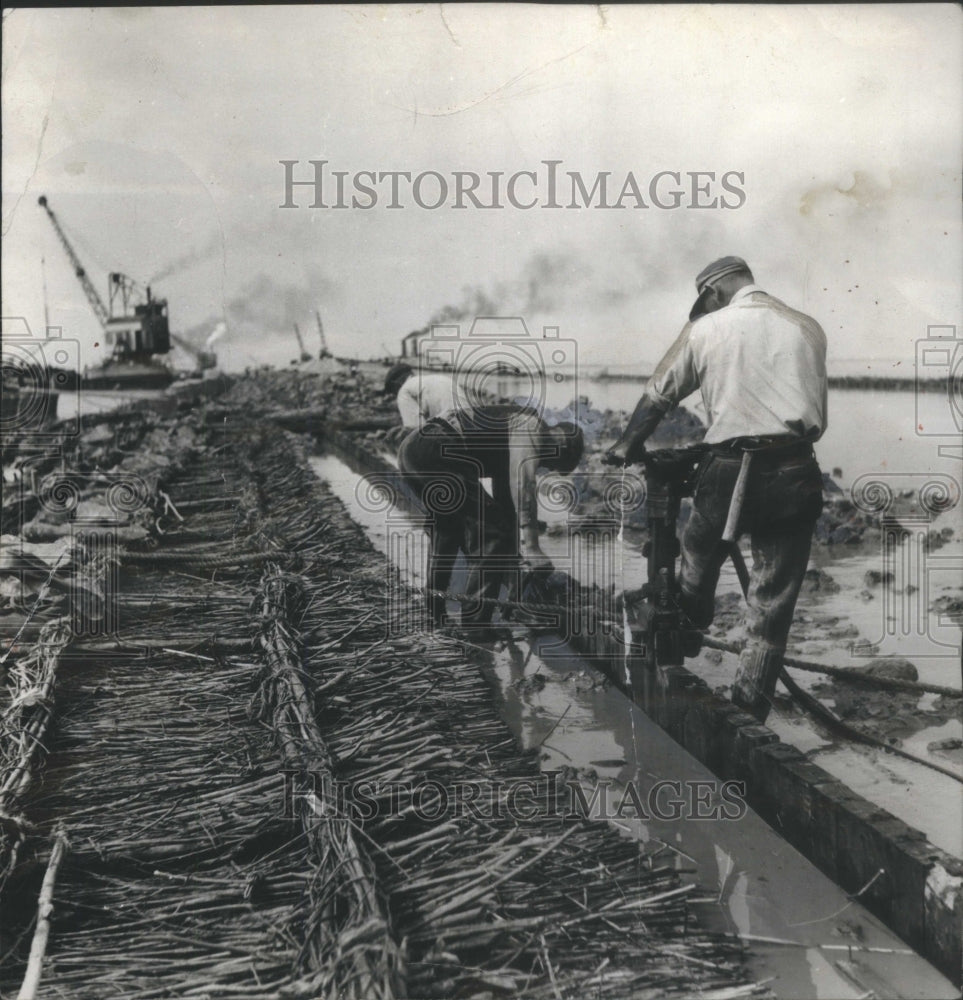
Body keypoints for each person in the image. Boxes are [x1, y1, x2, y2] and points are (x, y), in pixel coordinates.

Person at [605, 256, 827, 723]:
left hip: (728, 471)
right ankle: (750, 710)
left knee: (697, 560)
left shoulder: (705, 327)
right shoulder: (807, 326)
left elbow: (660, 393)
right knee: (772, 601)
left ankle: (684, 636)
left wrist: (629, 443)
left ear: (711, 294)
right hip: (796, 471)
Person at [398, 403, 584, 629]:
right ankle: (477, 624)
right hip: (438, 449)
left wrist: (518, 562)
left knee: (448, 531)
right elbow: (523, 485)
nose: (543, 466)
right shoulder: (531, 427)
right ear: (561, 445)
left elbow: (508, 508)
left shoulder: (508, 435)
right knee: (491, 535)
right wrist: (533, 548)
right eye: (551, 464)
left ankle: (434, 613)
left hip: (415, 450)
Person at [382, 363, 460, 440]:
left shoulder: (403, 391)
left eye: (393, 392)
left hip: (452, 428)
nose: (395, 395)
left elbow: (415, 430)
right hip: (468, 421)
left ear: (396, 384)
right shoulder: (433, 379)